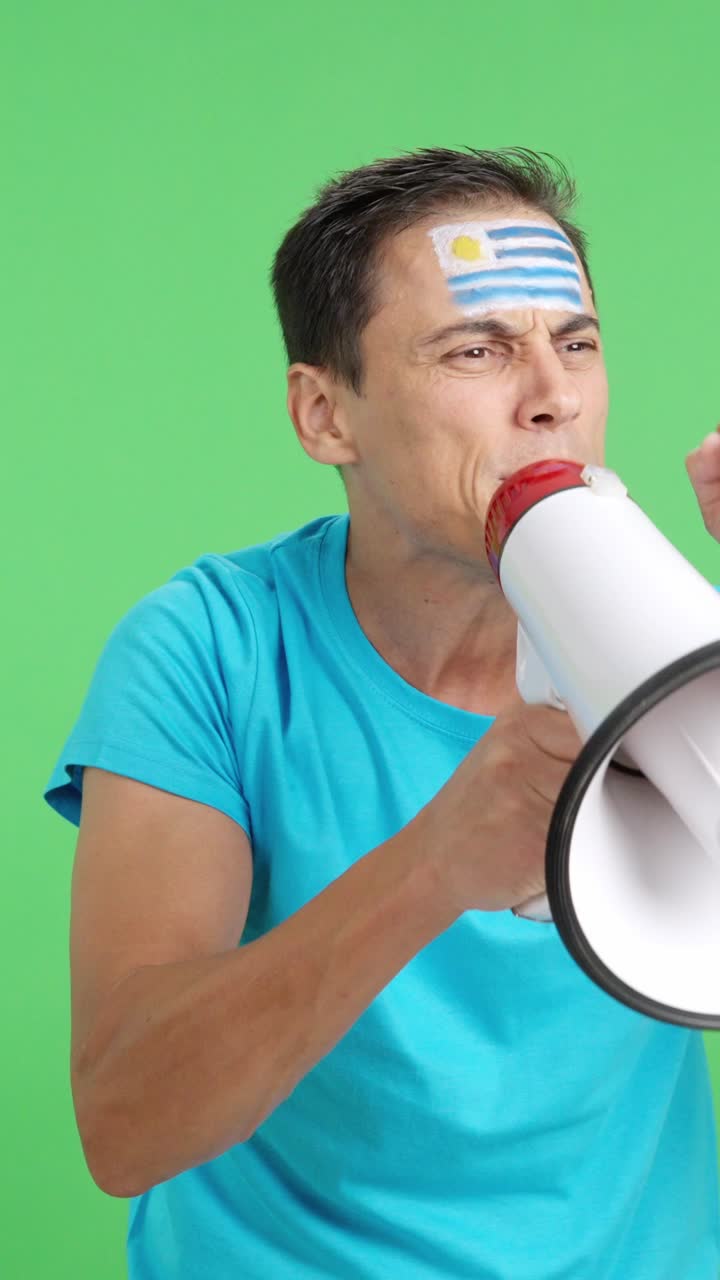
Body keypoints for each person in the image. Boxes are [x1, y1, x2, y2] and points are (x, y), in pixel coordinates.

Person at [43, 147, 720, 1279]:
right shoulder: (209, 647)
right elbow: (125, 1118)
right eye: (476, 349)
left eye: (578, 343)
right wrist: (436, 865)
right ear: (326, 415)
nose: (550, 395)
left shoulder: (686, 651)